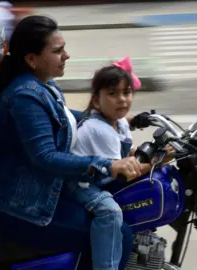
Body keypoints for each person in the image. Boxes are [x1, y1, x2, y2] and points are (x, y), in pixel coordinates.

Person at [0, 15, 150, 269]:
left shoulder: (45, 85)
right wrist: (108, 165)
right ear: (31, 59)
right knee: (120, 234)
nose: (67, 55)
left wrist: (118, 117)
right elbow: (45, 156)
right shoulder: (25, 97)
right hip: (23, 207)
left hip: (44, 191)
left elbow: (68, 119)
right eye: (58, 51)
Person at [67, 58, 145, 269]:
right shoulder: (99, 129)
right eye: (112, 94)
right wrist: (159, 160)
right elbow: (124, 170)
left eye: (126, 93)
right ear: (96, 101)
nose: (122, 100)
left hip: (100, 176)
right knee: (110, 212)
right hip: (81, 183)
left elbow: (125, 153)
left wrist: (140, 153)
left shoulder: (119, 123)